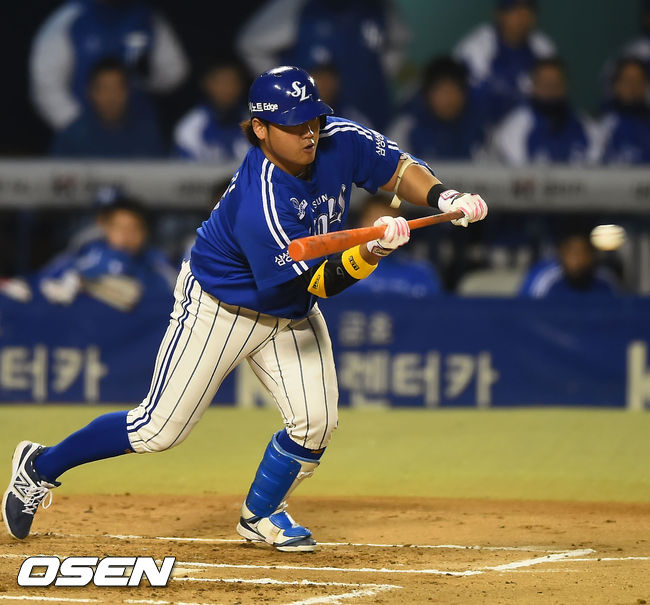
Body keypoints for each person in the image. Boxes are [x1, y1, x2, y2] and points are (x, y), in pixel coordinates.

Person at [2, 66, 487, 551]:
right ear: (261, 128)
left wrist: (444, 196)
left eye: (313, 119)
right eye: (294, 125)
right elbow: (320, 282)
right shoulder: (263, 198)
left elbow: (397, 168)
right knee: (157, 430)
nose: (309, 133)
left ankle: (261, 514)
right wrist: (372, 252)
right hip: (221, 307)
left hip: (290, 309)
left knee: (316, 424)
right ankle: (39, 466)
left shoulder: (337, 138)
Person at [236, 0, 409, 130]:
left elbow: (400, 43)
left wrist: (377, 76)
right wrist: (282, 87)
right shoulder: (297, 6)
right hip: (305, 111)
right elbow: (251, 45)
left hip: (367, 107)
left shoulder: (379, 7)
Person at [30, 0, 188, 131]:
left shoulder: (147, 17)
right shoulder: (69, 20)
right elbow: (46, 86)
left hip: (138, 129)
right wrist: (78, 128)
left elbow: (175, 72)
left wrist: (148, 78)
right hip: (84, 131)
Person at [38, 196, 175, 310]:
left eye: (134, 228)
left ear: (145, 232)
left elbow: (173, 292)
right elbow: (45, 279)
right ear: (107, 229)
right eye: (119, 228)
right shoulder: (88, 253)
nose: (126, 235)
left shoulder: (155, 262)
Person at [454, 0, 556, 123]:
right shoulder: (475, 46)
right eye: (515, 10)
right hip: (478, 126)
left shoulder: (543, 49)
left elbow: (551, 100)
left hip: (523, 129)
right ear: (499, 14)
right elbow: (456, 95)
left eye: (528, 10)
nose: (522, 17)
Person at [492, 58, 598, 165]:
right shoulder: (514, 128)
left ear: (566, 85)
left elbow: (597, 166)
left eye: (556, 83)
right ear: (533, 86)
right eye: (544, 84)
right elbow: (516, 172)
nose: (551, 89)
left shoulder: (586, 126)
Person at [51, 58, 165, 158]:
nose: (111, 97)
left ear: (128, 92)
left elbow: (161, 171)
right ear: (91, 92)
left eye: (117, 89)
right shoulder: (72, 137)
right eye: (104, 89)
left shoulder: (147, 133)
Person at [339, 196, 443, 298]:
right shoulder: (341, 268)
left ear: (402, 229)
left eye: (389, 224)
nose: (380, 229)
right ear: (360, 223)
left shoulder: (421, 273)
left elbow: (435, 307)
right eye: (373, 219)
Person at [388, 56, 488, 161]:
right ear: (427, 94)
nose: (449, 99)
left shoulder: (481, 130)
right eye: (442, 91)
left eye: (454, 91)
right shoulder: (406, 128)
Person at [172, 58, 251, 163]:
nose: (227, 89)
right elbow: (184, 170)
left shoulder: (255, 124)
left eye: (233, 82)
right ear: (207, 84)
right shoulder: (190, 128)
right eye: (221, 82)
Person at [519, 229, 618, 298]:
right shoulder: (544, 278)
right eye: (573, 253)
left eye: (584, 252)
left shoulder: (605, 280)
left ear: (592, 255)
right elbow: (524, 313)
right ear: (561, 253)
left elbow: (620, 314)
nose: (578, 260)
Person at [599, 58, 650, 164]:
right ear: (616, 85)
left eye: (638, 81)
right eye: (627, 81)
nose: (633, 86)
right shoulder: (599, 127)